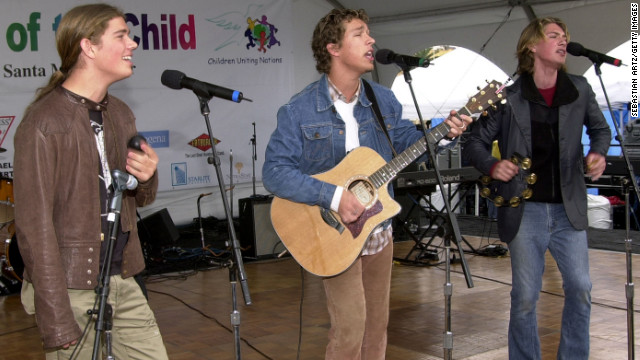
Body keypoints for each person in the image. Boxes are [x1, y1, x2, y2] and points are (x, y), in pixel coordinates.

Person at [262, 8, 471, 359]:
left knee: (376, 331)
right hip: (334, 235)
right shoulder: (299, 111)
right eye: (359, 33)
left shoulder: (383, 100)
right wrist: (333, 196)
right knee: (349, 332)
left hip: (378, 230)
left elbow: (406, 142)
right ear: (333, 48)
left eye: (369, 33)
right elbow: (275, 172)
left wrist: (443, 133)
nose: (371, 39)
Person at [14, 4, 168, 359]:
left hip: (123, 278)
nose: (133, 44)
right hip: (70, 287)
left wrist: (146, 177)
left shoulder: (120, 113)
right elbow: (34, 232)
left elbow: (137, 199)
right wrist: (55, 318)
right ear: (89, 47)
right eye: (121, 36)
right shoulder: (43, 123)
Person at [463, 17, 611, 359]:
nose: (563, 41)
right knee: (526, 297)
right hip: (524, 211)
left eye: (566, 36)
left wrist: (598, 153)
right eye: (554, 35)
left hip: (568, 210)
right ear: (532, 45)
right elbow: (474, 142)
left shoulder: (580, 89)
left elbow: (601, 131)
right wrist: (492, 165)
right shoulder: (508, 97)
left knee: (581, 288)